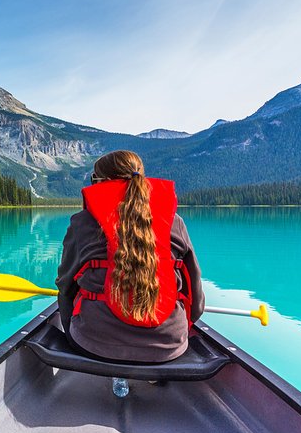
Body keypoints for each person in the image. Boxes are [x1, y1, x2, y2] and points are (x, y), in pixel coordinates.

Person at [56, 150, 204, 363]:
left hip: (94, 344)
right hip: (169, 347)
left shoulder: (82, 223)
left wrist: (72, 328)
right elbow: (195, 298)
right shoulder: (175, 222)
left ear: (102, 183)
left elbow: (65, 286)